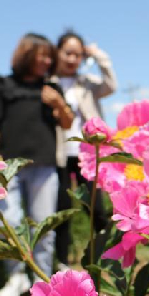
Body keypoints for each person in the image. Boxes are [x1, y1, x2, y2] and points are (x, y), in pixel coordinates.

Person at [0, 33, 74, 296]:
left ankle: (42, 281)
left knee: (44, 226)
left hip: (44, 167)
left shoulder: (52, 87)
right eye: (41, 55)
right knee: (7, 222)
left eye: (49, 56)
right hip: (7, 167)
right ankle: (16, 275)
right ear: (25, 55)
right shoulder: (1, 84)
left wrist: (57, 103)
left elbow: (67, 123)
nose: (46, 60)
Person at [51, 30, 117, 269]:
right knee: (61, 210)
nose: (72, 59)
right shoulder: (49, 83)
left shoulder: (87, 83)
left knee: (97, 208)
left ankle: (105, 255)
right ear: (57, 53)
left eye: (78, 54)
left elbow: (111, 85)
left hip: (87, 155)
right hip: (58, 154)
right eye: (67, 53)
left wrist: (98, 55)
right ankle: (62, 261)